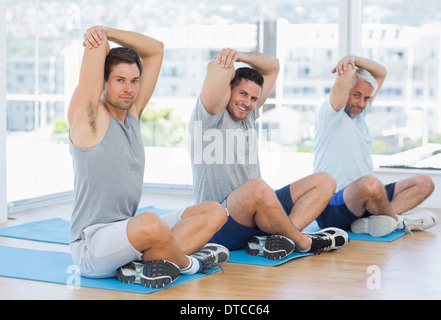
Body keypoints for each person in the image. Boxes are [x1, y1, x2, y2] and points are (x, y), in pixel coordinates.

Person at [68, 25, 229, 289]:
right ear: (104, 82)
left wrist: (109, 31)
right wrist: (100, 36)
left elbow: (156, 51)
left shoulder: (132, 116)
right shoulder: (90, 120)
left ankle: (145, 263)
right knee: (151, 223)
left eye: (134, 81)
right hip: (92, 246)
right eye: (120, 80)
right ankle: (188, 263)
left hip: (128, 231)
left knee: (215, 211)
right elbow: (97, 49)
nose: (129, 88)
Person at [188, 48, 349, 258]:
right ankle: (304, 242)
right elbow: (218, 70)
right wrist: (227, 59)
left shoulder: (248, 115)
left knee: (325, 181)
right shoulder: (208, 117)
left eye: (254, 98)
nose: (247, 103)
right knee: (257, 188)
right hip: (221, 220)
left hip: (258, 213)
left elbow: (273, 65)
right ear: (228, 91)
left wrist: (241, 56)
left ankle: (277, 239)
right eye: (242, 94)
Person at [313, 55, 436, 236]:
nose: (361, 103)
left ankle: (377, 221)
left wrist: (354, 58)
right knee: (370, 184)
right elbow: (345, 81)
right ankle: (398, 221)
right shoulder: (331, 115)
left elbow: (381, 72)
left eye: (366, 98)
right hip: (333, 204)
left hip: (366, 200)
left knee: (425, 183)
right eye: (356, 95)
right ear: (345, 90)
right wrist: (348, 65)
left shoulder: (359, 116)